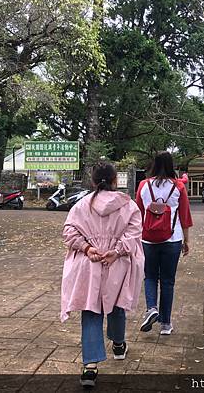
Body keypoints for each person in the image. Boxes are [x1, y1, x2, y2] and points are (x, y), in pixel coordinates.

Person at [61, 162, 144, 388]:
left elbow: (69, 231)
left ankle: (90, 368)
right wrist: (116, 252)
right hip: (117, 263)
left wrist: (88, 248)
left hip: (90, 263)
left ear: (93, 182)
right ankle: (118, 344)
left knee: (91, 309)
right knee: (116, 305)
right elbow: (135, 232)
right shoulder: (129, 206)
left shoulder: (81, 205)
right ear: (116, 181)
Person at [135, 151, 193, 335]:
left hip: (147, 239)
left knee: (150, 276)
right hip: (172, 239)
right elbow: (184, 216)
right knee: (168, 281)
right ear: (170, 165)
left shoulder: (143, 185)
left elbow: (137, 213)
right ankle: (166, 324)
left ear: (154, 164)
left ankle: (151, 308)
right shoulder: (178, 187)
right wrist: (186, 240)